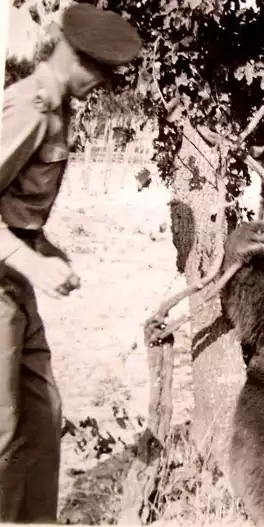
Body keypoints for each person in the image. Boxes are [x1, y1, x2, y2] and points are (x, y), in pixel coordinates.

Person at [0, 4, 141, 521]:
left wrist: (46, 251)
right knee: (4, 428)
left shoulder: (58, 111)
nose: (101, 85)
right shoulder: (29, 110)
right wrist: (35, 266)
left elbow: (14, 211)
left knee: (41, 415)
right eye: (98, 72)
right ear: (72, 58)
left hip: (14, 281)